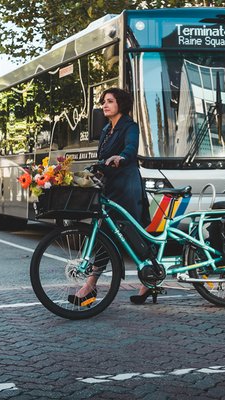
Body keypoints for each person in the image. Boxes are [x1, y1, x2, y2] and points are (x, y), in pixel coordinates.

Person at [68, 87, 152, 306]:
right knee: (105, 235)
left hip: (127, 188)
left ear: (120, 105)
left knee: (132, 234)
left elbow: (131, 149)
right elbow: (102, 157)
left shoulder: (129, 126)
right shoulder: (106, 130)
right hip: (110, 188)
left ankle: (148, 279)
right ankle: (91, 285)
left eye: (110, 101)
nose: (104, 105)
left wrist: (121, 157)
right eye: (104, 101)